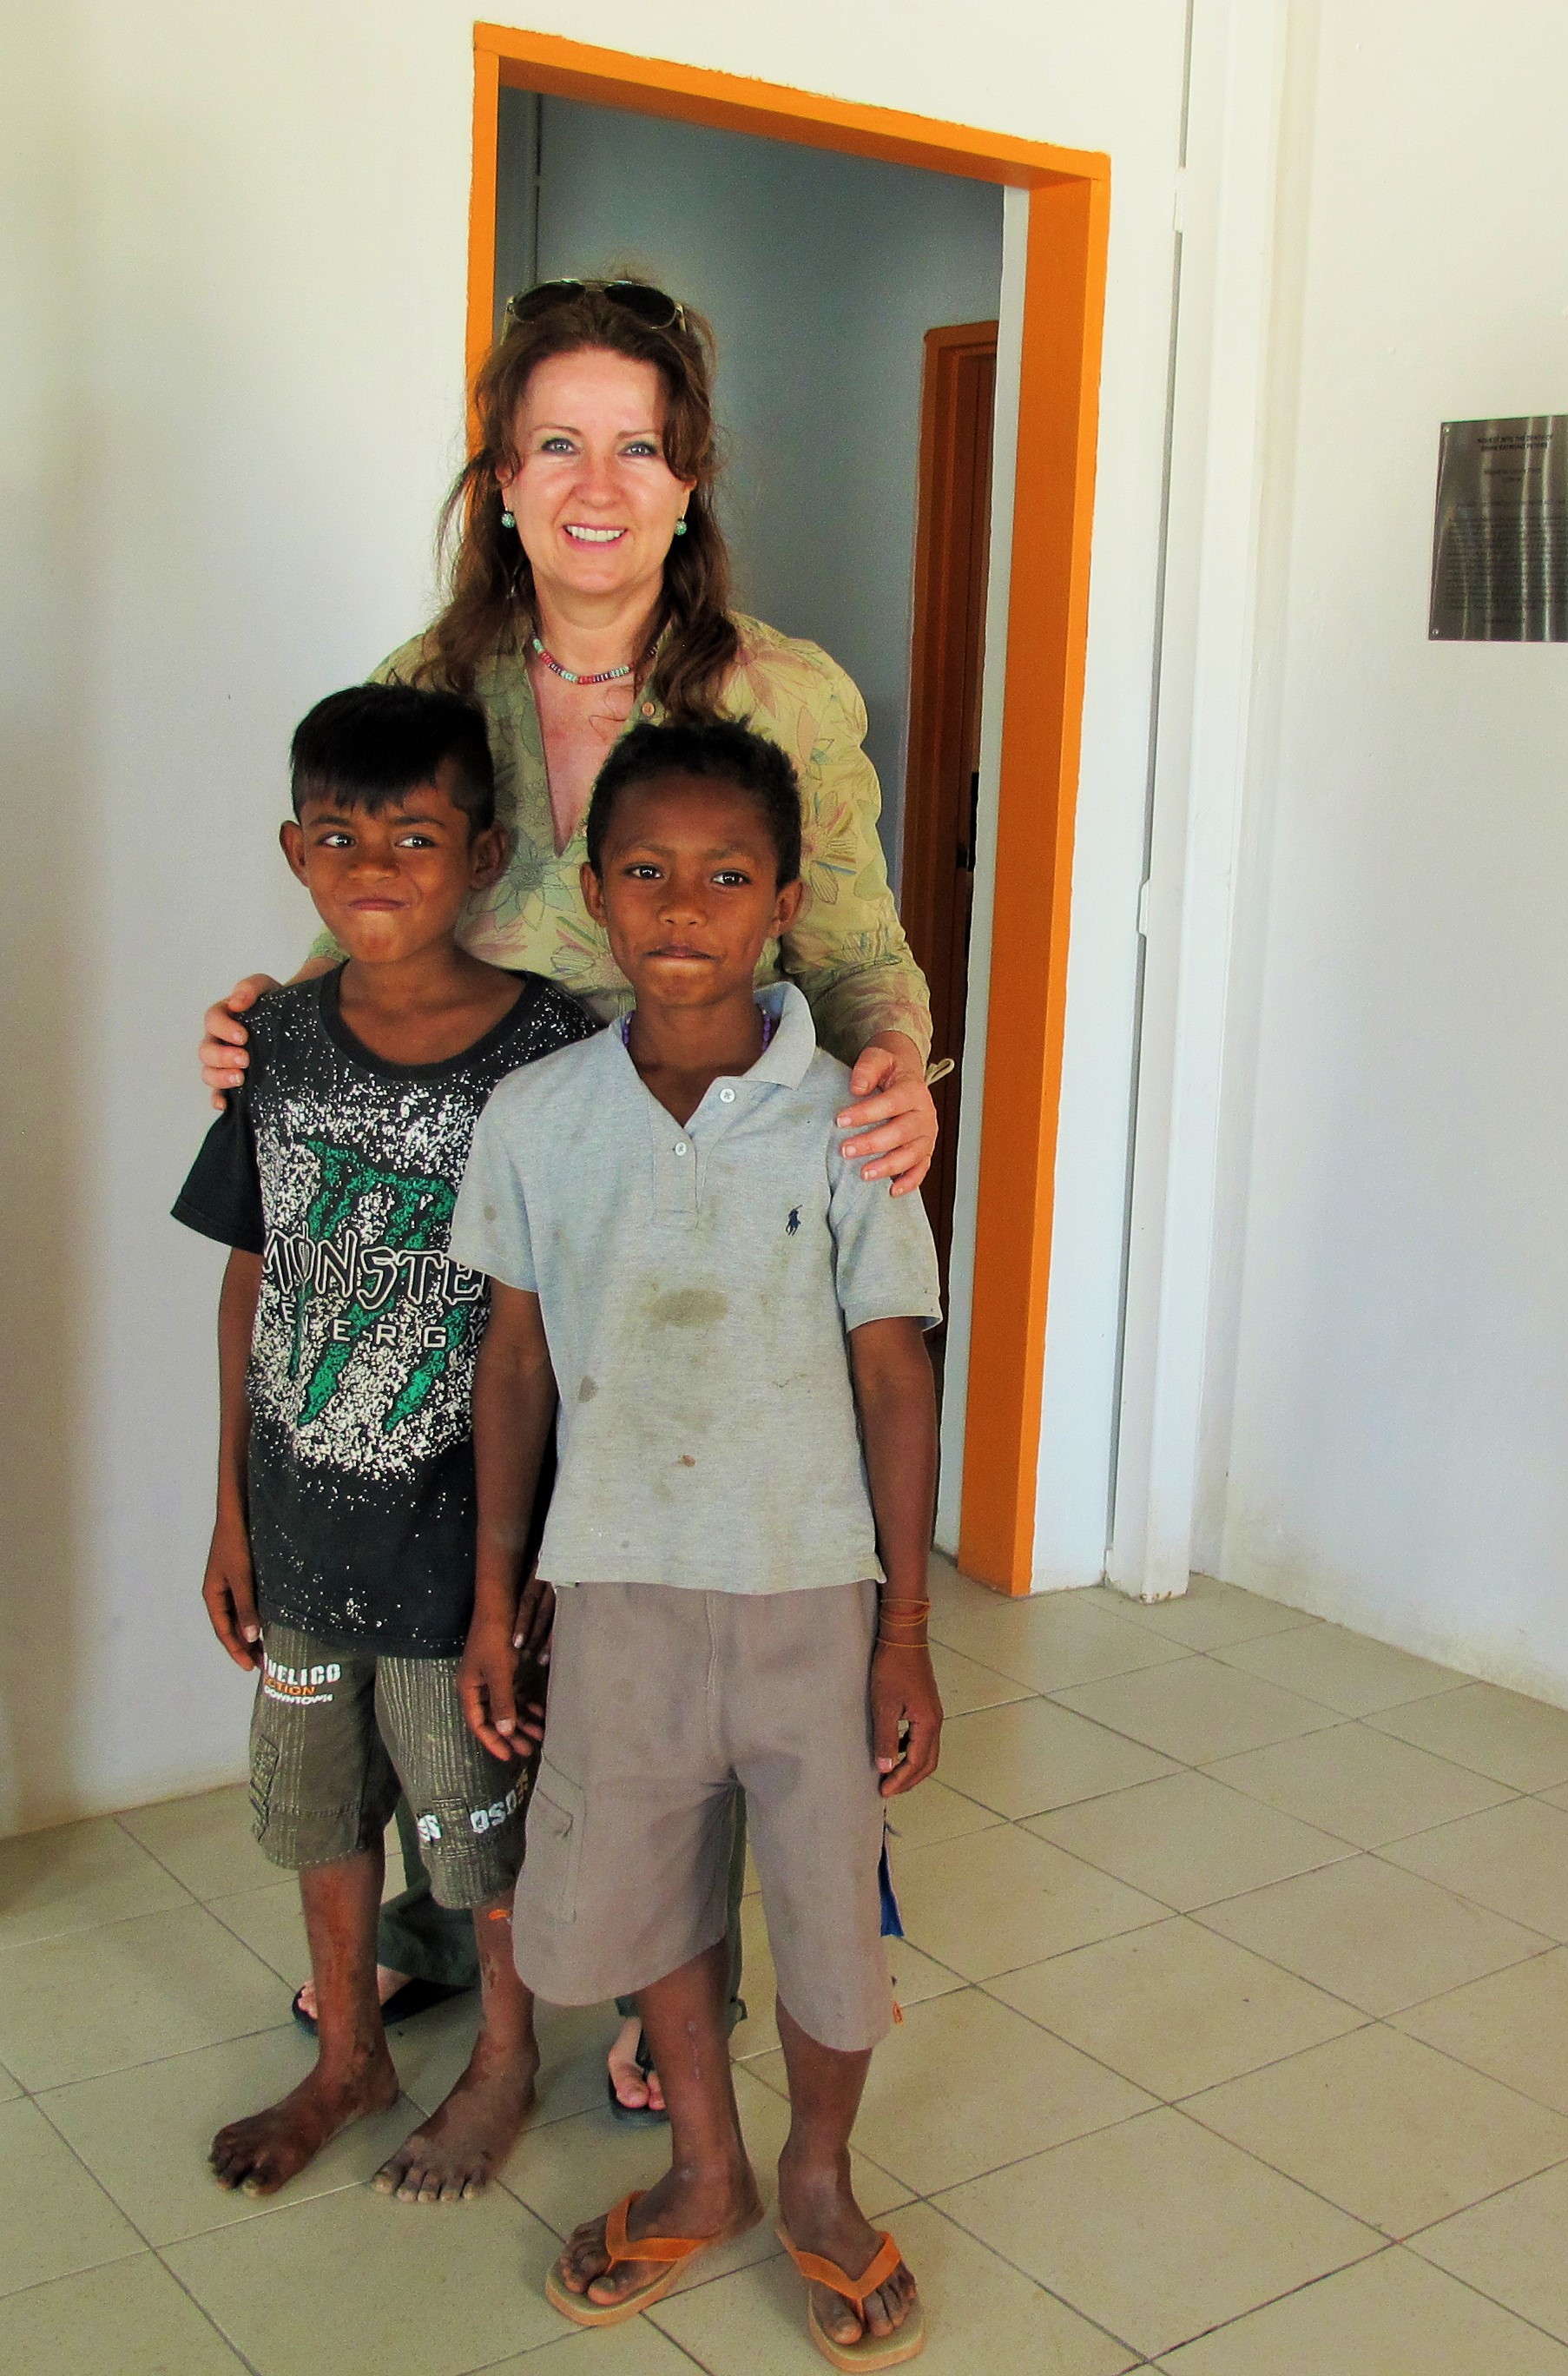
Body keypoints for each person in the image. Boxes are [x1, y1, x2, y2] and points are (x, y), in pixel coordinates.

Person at [194, 279, 941, 2109]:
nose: (595, 485)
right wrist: (269, 1016)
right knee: (456, 1556)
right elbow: (380, 903)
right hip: (472, 1188)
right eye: (555, 445)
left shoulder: (782, 693)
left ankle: (668, 1990)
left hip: (698, 1211)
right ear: (503, 480)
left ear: (688, 481)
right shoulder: (428, 682)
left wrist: (900, 1084)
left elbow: (860, 953)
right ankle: (457, 1919)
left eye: (636, 447)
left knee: (658, 1591)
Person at [453, 717, 939, 2365]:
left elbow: (895, 1370)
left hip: (809, 1592)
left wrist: (906, 1633)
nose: (683, 908)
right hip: (621, 1584)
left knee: (825, 1909)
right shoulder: (536, 1118)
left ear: (786, 902)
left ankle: (818, 2178)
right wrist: (497, 1594)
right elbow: (515, 1362)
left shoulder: (850, 1122)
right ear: (593, 894)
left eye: (727, 878)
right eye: (647, 872)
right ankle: (707, 2166)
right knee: (654, 1886)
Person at [173, 683, 596, 2201]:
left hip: (459, 1548)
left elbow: (562, 1331)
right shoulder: (277, 1041)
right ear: (295, 851)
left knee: (475, 1817)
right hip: (299, 1530)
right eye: (339, 838)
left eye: (413, 838)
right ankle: (347, 2052)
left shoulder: (552, 1051)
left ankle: (505, 2058)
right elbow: (253, 1273)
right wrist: (229, 1513)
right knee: (317, 1802)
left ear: (481, 855)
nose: (372, 868)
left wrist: (529, 1571)